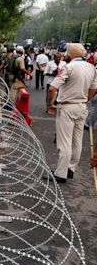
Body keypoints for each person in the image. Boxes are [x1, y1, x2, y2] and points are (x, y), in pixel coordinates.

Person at [46, 43, 97, 183]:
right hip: (82, 107)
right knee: (76, 141)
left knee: (64, 142)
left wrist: (50, 104)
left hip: (67, 107)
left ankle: (60, 173)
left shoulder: (68, 67)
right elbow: (93, 89)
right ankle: (70, 169)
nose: (65, 54)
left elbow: (52, 88)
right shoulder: (91, 68)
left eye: (67, 52)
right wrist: (84, 99)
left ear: (72, 54)